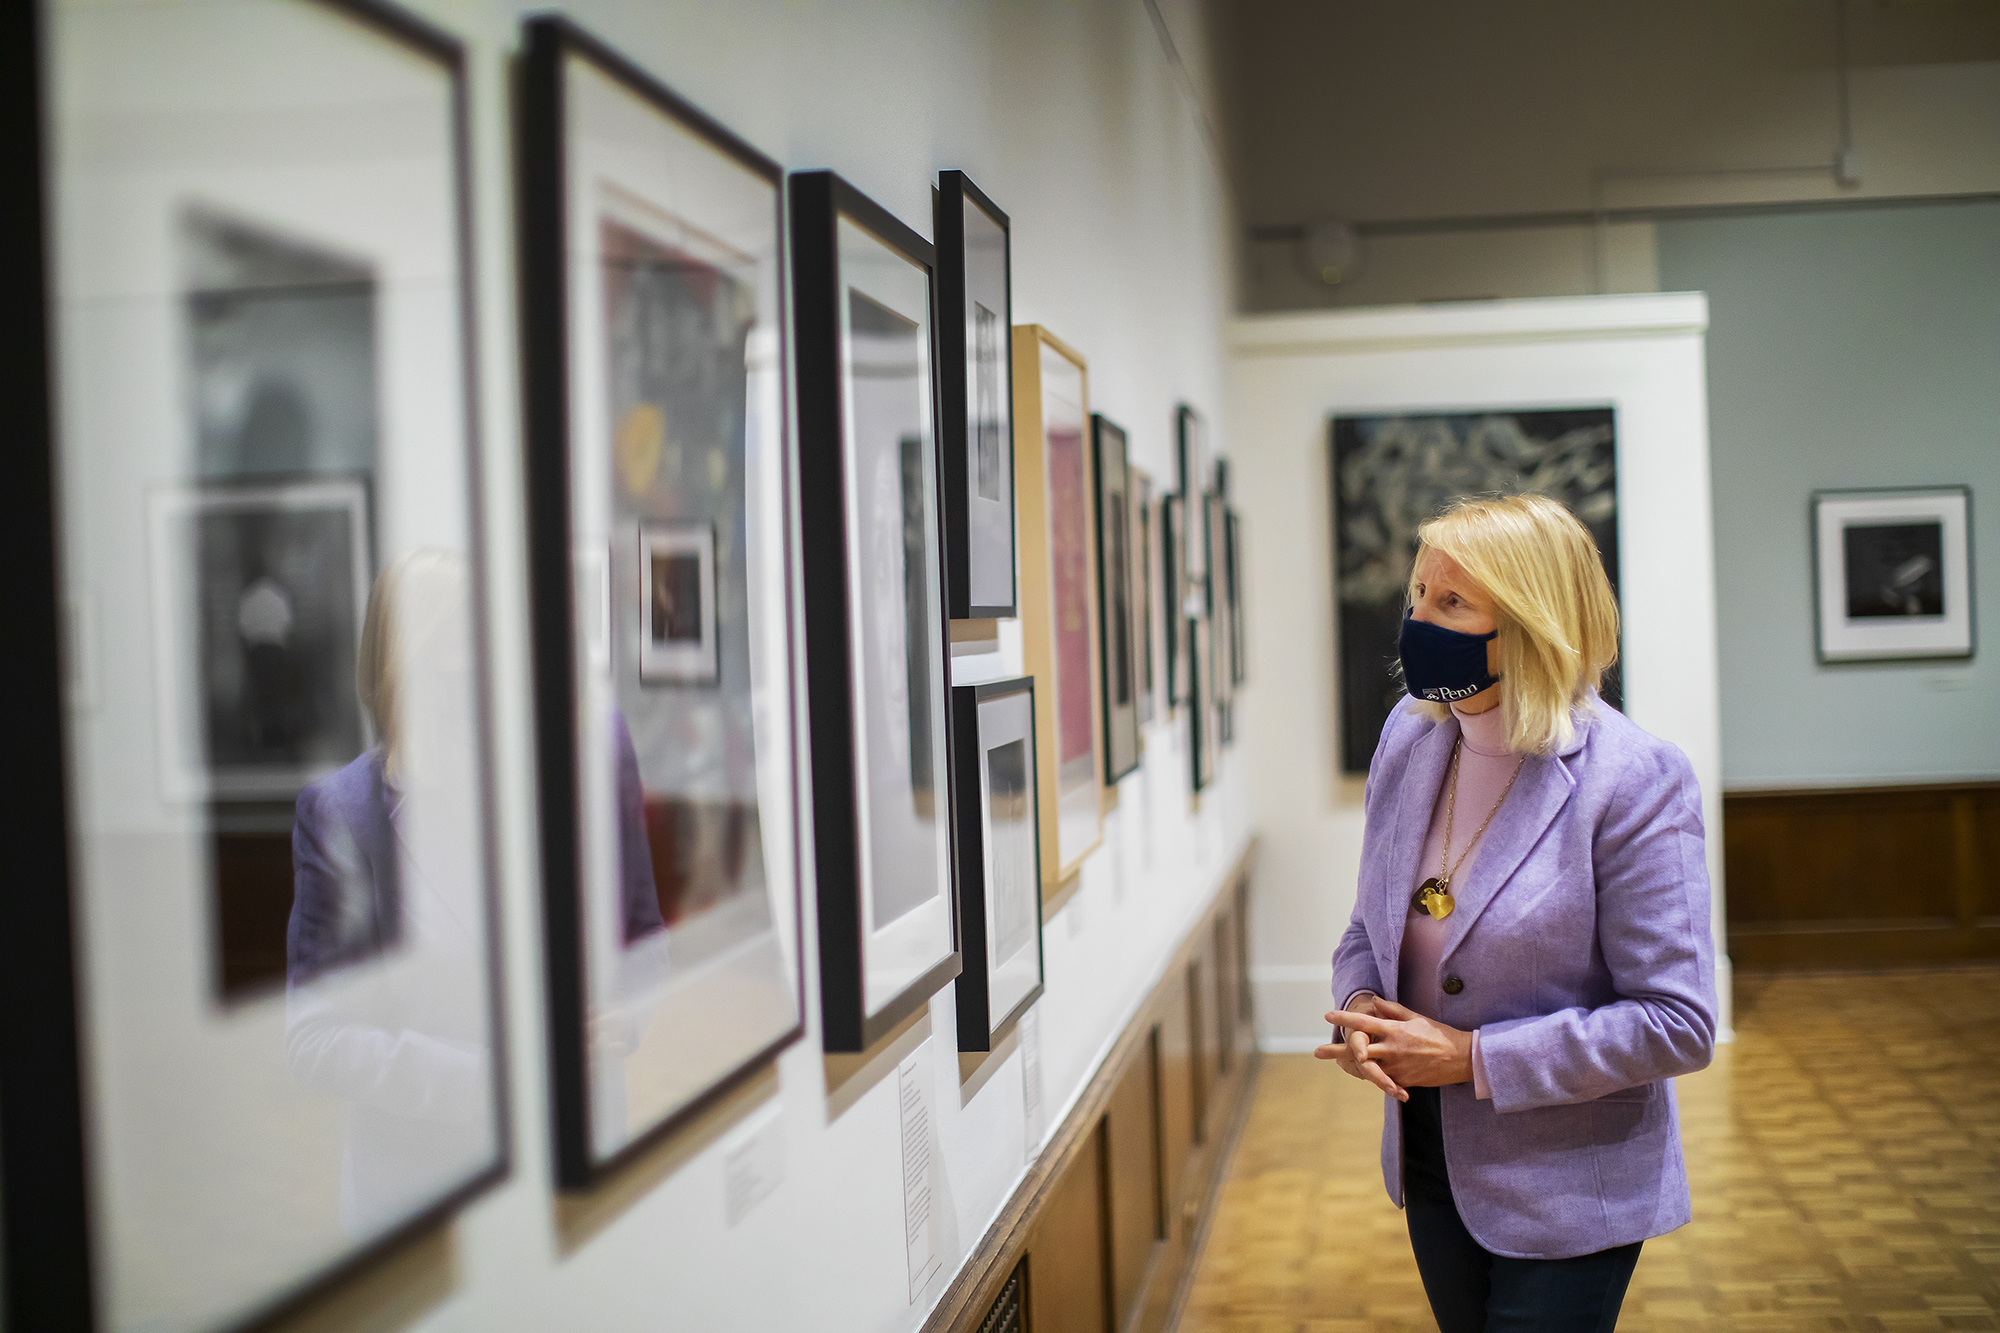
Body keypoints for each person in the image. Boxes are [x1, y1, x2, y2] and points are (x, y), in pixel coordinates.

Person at [1319, 494, 1717, 1333]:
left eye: (1452, 603)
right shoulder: (1410, 736)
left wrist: (1471, 1056)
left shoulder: (1636, 779)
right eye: (1417, 595)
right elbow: (1368, 927)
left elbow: (1678, 1021)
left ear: (1534, 624)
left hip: (1571, 1182)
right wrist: (1361, 1010)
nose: (1417, 620)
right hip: (1432, 1156)